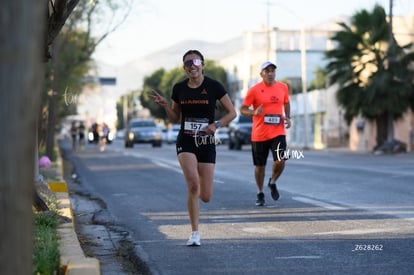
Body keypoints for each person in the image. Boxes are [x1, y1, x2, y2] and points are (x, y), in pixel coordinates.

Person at [150, 50, 236, 246]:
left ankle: (197, 218)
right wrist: (165, 106)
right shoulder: (179, 88)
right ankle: (194, 233)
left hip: (206, 141)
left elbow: (232, 113)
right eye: (188, 63)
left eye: (196, 61)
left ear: (203, 65)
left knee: (206, 196)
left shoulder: (214, 86)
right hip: (186, 140)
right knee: (193, 185)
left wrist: (216, 125)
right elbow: (174, 118)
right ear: (184, 68)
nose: (192, 66)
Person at [240, 61, 291, 206]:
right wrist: (253, 112)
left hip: (278, 131)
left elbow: (286, 102)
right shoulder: (254, 90)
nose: (270, 73)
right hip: (259, 134)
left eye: (272, 71)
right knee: (260, 166)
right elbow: (242, 108)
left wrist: (288, 117)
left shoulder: (283, 87)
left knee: (281, 159)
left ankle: (273, 181)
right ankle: (260, 192)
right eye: (267, 71)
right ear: (261, 74)